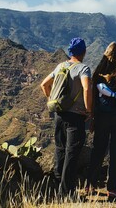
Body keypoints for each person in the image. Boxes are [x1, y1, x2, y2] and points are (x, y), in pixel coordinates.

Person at [40, 37, 92, 197]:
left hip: (59, 115)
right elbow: (86, 88)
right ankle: (67, 192)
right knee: (72, 153)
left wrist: (51, 100)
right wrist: (89, 110)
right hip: (75, 117)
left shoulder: (60, 66)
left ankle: (57, 188)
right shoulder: (83, 69)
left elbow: (44, 84)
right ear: (84, 52)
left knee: (60, 150)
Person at [86, 42, 116, 199]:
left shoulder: (98, 73)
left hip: (101, 116)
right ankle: (112, 190)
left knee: (98, 151)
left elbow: (94, 98)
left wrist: (93, 118)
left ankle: (90, 186)